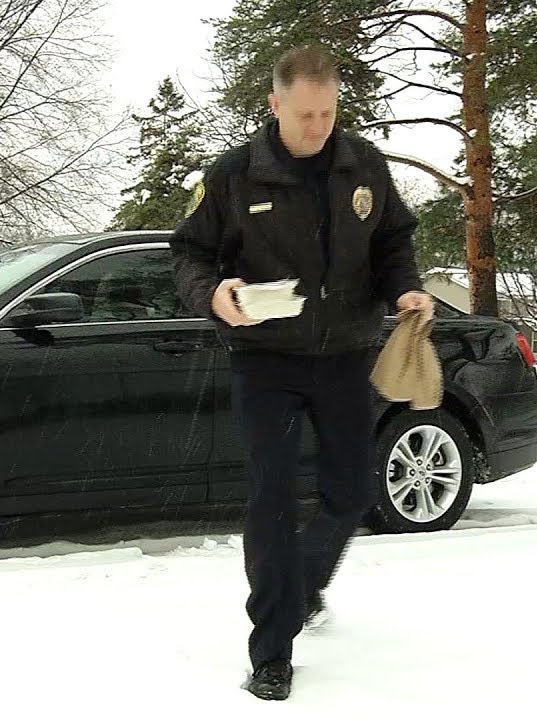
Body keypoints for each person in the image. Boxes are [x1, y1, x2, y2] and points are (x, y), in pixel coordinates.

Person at [169, 44, 434, 701]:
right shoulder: (234, 175)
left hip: (346, 353)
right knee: (273, 497)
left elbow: (393, 242)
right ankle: (271, 652)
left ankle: (301, 585)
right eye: (306, 114)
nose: (318, 127)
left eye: (328, 112)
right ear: (275, 104)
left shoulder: (362, 164)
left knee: (352, 492)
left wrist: (406, 289)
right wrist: (213, 295)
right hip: (265, 358)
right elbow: (189, 252)